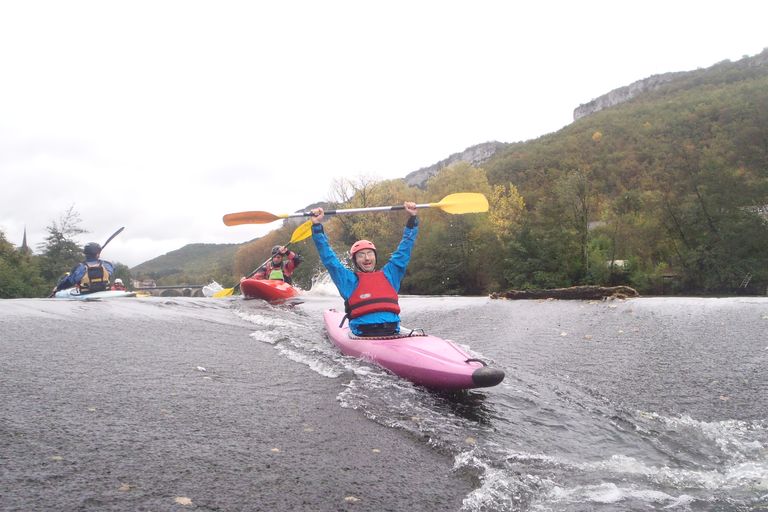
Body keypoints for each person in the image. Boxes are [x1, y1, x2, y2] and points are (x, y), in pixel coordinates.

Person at [310, 201, 419, 336]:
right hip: (363, 335)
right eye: (361, 255)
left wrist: (412, 218)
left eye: (370, 254)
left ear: (375, 257)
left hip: (392, 332)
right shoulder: (348, 281)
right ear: (355, 261)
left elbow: (405, 248)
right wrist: (316, 226)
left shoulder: (390, 275)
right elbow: (329, 259)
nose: (367, 258)